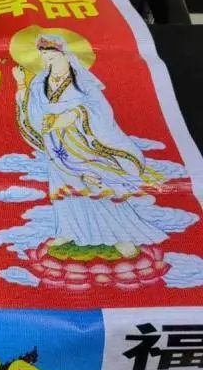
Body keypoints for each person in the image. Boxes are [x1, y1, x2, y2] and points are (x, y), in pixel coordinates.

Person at [12, 33, 167, 259]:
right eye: (43, 56)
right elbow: (33, 111)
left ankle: (120, 236)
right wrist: (20, 83)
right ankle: (69, 231)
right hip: (57, 146)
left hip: (85, 144)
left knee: (97, 187)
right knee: (64, 190)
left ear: (65, 55)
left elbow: (100, 110)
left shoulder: (82, 81)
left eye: (52, 57)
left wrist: (74, 114)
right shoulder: (39, 82)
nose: (47, 61)